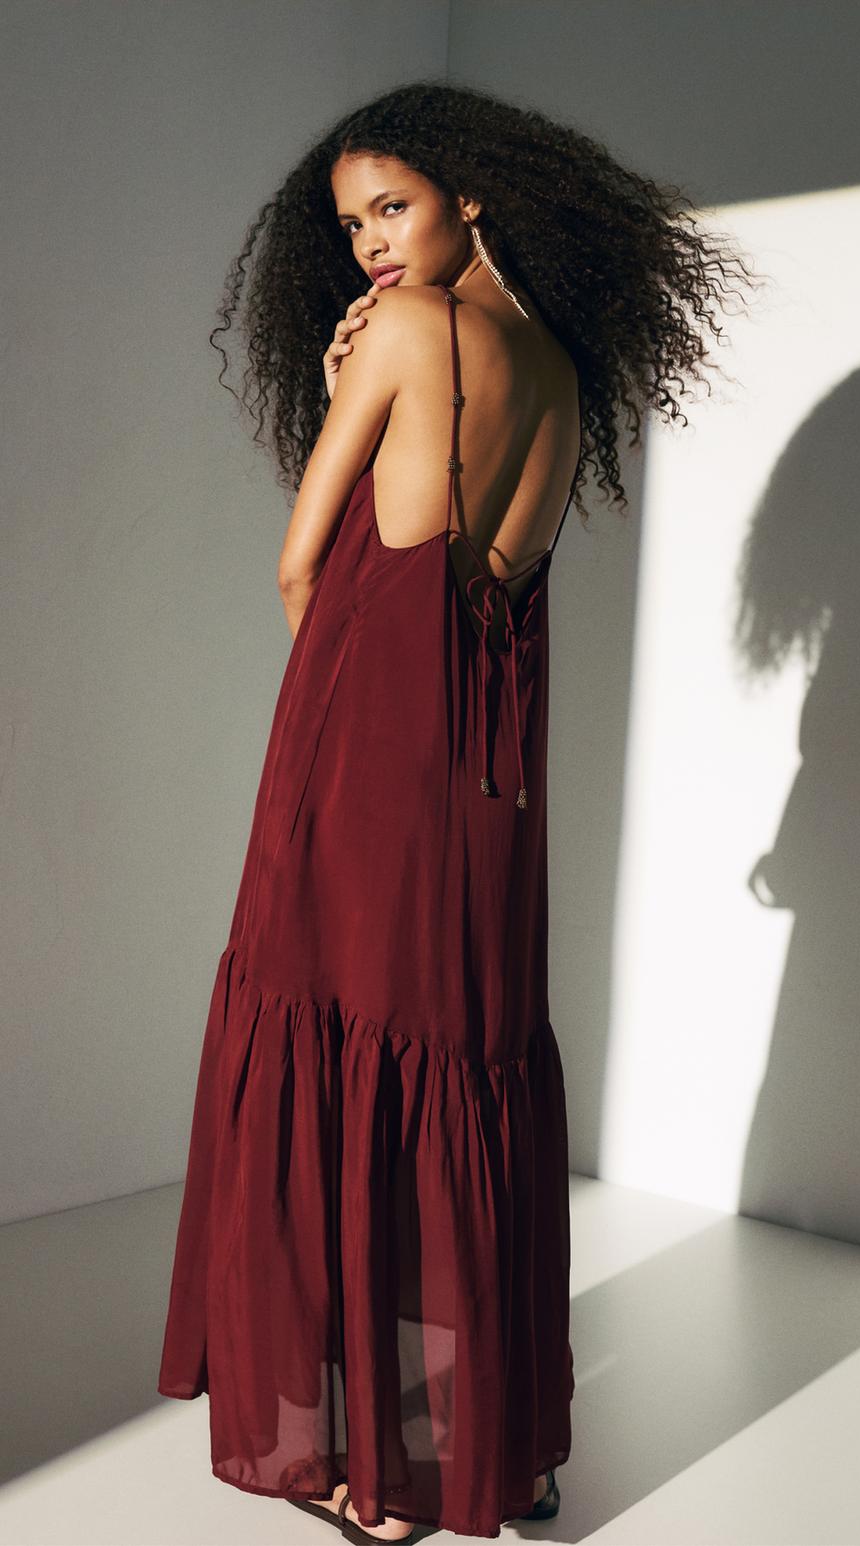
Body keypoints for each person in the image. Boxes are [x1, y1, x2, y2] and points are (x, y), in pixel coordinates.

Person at [157, 79, 754, 1542]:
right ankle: (501, 1446)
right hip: (492, 766)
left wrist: (351, 394)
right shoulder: (557, 369)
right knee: (466, 1055)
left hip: (370, 743)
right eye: (352, 222)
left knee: (342, 1042)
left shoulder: (412, 329)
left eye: (394, 206)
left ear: (469, 193)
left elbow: (306, 566)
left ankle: (380, 1476)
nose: (370, 241)